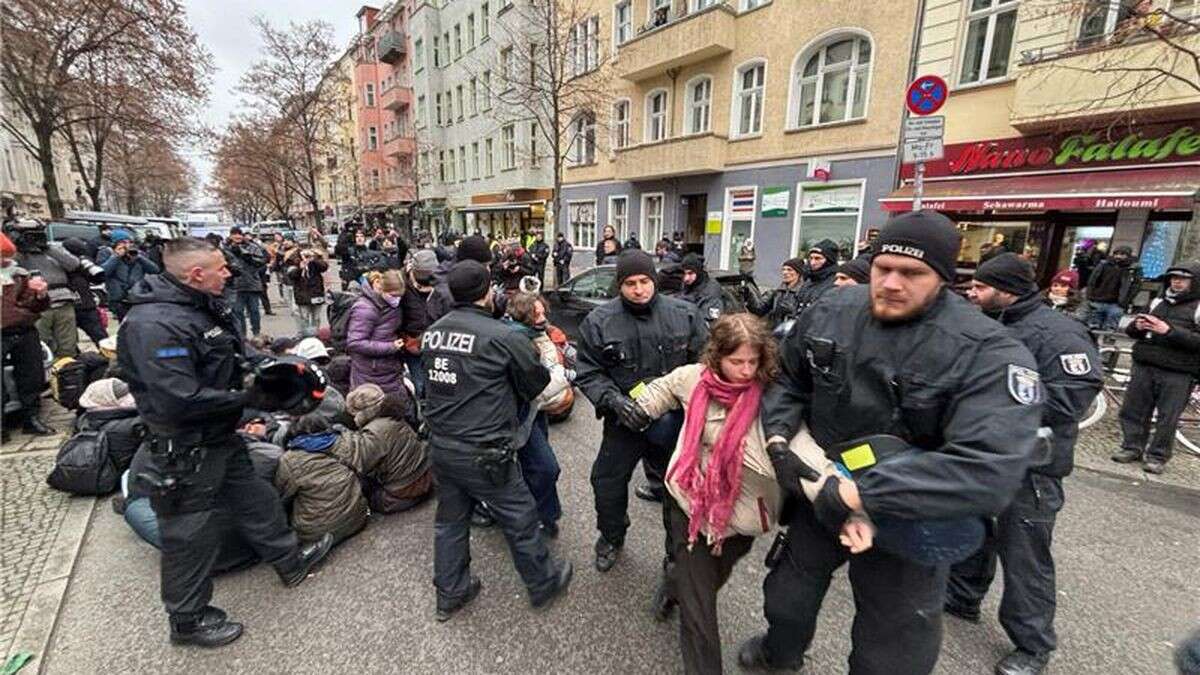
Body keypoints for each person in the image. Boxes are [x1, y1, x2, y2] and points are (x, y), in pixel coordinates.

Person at [738, 211, 1043, 673]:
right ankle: (779, 654)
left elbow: (988, 468)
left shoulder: (987, 350)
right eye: (884, 268)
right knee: (786, 598)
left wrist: (861, 495)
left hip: (909, 515)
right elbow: (787, 379)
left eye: (913, 273)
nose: (893, 283)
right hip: (820, 486)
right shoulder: (832, 309)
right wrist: (780, 439)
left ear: (944, 276)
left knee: (892, 645)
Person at [115, 237, 334, 648]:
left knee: (256, 499)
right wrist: (251, 399)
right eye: (221, 267)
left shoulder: (199, 306)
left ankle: (289, 561)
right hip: (185, 447)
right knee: (189, 536)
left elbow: (233, 353)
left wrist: (275, 368)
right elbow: (177, 398)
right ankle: (188, 619)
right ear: (196, 274)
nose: (229, 272)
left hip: (220, 435)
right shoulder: (154, 326)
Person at [949, 253, 1102, 675]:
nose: (972, 293)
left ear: (1008, 290)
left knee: (1025, 556)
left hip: (1032, 464)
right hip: (981, 453)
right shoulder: (989, 323)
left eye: (981, 288)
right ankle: (962, 596)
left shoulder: (1060, 333)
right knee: (973, 529)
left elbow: (1074, 394)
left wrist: (999, 399)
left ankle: (1033, 645)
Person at [632, 313, 810, 674]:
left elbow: (807, 449)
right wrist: (637, 406)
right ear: (716, 356)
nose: (746, 370)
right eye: (736, 361)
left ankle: (672, 584)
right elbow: (661, 388)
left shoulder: (774, 399)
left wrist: (840, 492)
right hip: (689, 502)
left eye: (753, 361)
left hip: (741, 519)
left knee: (709, 578)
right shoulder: (693, 378)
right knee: (700, 609)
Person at [420, 260, 573, 621]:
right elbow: (535, 384)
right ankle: (543, 581)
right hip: (485, 449)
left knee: (450, 522)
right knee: (519, 519)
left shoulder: (433, 333)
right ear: (488, 292)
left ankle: (451, 593)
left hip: (443, 445)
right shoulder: (502, 336)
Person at [575, 249, 709, 573]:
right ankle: (611, 535)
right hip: (625, 419)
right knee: (606, 481)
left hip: (674, 423)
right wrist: (613, 401)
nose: (639, 289)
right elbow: (589, 372)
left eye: (645, 281)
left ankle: (676, 555)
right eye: (630, 283)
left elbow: (706, 367)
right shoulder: (599, 322)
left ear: (654, 280)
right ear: (619, 285)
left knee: (677, 490)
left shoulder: (685, 314)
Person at [1112, 263, 1200, 474]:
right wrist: (1137, 327)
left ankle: (1157, 456)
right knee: (1133, 410)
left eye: (1183, 278)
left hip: (1178, 371)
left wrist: (1169, 331)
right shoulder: (1157, 301)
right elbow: (1133, 330)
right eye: (1174, 277)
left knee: (1167, 417)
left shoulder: (1198, 307)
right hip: (1145, 364)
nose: (1177, 281)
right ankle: (1132, 447)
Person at [506, 292, 572, 537]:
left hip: (536, 413)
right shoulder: (515, 341)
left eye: (543, 312)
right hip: (522, 415)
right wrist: (563, 378)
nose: (543, 318)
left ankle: (545, 515)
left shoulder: (537, 334)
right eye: (536, 314)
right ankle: (537, 515)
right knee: (546, 468)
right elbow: (536, 389)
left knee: (533, 467)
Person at [1, 231, 53, 437]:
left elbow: (36, 305)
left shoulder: (19, 275)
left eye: (6, 255)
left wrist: (40, 295)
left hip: (23, 330)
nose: (4, 260)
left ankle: (31, 418)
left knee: (31, 376)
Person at [7, 219, 82, 359]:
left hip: (64, 301)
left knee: (68, 346)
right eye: (29, 235)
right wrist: (18, 248)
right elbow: (11, 271)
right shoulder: (17, 254)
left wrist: (46, 248)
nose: (33, 238)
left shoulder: (52, 248)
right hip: (38, 305)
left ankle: (69, 372)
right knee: (43, 346)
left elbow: (74, 264)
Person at [346, 269, 408, 398]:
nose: (396, 300)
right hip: (369, 371)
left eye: (399, 296)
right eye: (393, 295)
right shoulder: (365, 309)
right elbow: (355, 343)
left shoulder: (389, 305)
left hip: (389, 368)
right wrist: (390, 347)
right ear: (378, 286)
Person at [399, 249, 439, 399]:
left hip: (436, 342)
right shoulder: (400, 283)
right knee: (420, 385)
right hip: (411, 344)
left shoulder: (442, 282)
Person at [102, 230, 160, 321]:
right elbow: (103, 272)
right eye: (123, 242)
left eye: (128, 242)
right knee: (125, 326)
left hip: (138, 296)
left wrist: (140, 258)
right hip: (119, 298)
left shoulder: (138, 254)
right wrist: (116, 256)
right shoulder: (106, 253)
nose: (127, 245)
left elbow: (155, 270)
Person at [59, 238, 108, 345]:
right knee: (99, 337)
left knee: (100, 338)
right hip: (76, 306)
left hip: (81, 306)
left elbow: (98, 277)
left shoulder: (83, 264)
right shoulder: (60, 264)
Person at [225, 227, 270, 337]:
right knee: (238, 311)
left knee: (254, 311)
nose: (237, 237)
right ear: (230, 236)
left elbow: (262, 261)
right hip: (236, 285)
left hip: (252, 284)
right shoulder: (226, 249)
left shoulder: (252, 247)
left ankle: (256, 333)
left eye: (239, 234)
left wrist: (248, 257)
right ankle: (242, 336)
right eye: (235, 234)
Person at [1084, 245, 1141, 331]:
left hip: (1117, 304)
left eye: (1122, 254)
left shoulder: (1133, 269)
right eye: (1116, 254)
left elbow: (1136, 286)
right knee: (1092, 328)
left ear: (1128, 256)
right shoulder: (1104, 265)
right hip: (1098, 300)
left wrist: (1126, 301)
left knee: (1110, 330)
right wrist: (1090, 296)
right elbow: (1092, 281)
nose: (1118, 256)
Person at [743, 258, 805, 329]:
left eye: (789, 270)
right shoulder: (776, 292)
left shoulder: (804, 293)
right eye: (783, 269)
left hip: (793, 335)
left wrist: (792, 311)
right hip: (776, 333)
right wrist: (749, 293)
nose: (785, 272)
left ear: (798, 273)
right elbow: (759, 310)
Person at [286, 246, 328, 337]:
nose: (306, 256)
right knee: (304, 317)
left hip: (316, 294)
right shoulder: (294, 262)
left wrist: (314, 259)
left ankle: (316, 335)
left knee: (316, 317)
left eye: (308, 254)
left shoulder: (315, 263)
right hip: (302, 295)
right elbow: (291, 275)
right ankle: (305, 335)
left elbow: (324, 267)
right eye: (304, 254)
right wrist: (300, 268)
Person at [794, 239, 839, 315]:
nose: (813, 262)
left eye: (818, 258)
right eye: (811, 258)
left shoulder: (836, 282)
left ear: (829, 260)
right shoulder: (809, 280)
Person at [679, 253, 724, 325]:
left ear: (699, 272)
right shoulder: (688, 284)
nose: (686, 278)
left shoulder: (711, 289)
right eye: (684, 273)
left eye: (690, 273)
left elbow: (709, 321)